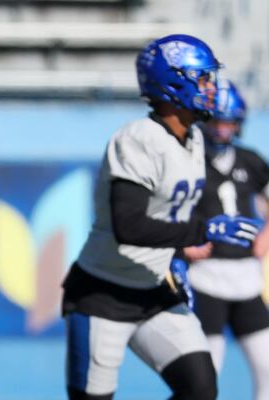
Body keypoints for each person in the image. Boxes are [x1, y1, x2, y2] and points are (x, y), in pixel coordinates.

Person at [61, 34, 261, 400]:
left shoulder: (195, 139)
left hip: (154, 289)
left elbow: (171, 212)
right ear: (173, 82)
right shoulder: (138, 139)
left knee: (200, 389)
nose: (210, 87)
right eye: (201, 78)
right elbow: (129, 224)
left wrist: (177, 258)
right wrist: (204, 231)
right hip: (103, 293)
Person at [184, 80, 269, 400]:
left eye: (229, 122)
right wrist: (184, 244)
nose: (222, 130)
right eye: (216, 121)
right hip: (206, 279)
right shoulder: (188, 160)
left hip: (246, 278)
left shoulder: (251, 161)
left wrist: (266, 236)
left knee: (267, 369)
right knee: (207, 377)